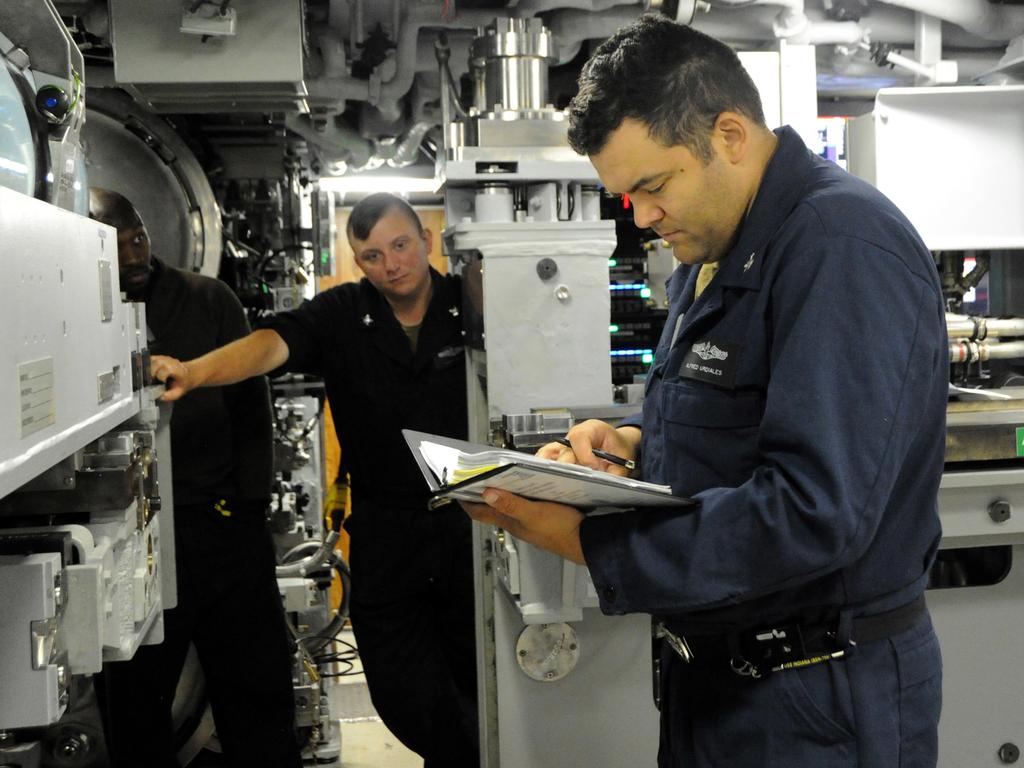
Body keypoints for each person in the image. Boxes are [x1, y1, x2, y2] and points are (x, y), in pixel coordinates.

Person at [463, 15, 946, 768]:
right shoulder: (717, 245)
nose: (644, 218)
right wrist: (626, 445)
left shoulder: (840, 245)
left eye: (652, 187)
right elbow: (726, 414)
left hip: (818, 699)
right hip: (724, 679)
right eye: (626, 197)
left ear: (728, 135)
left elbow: (815, 513)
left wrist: (590, 542)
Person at [149, 192, 479, 767]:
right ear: (357, 262)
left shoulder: (469, 305)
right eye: (372, 255)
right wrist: (195, 371)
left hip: (469, 522)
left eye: (401, 245)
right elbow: (272, 345)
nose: (391, 264)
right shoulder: (343, 314)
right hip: (386, 532)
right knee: (402, 692)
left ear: (426, 241)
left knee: (481, 679)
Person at [89, 189, 301, 768]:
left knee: (256, 682)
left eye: (139, 238)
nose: (134, 254)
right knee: (135, 693)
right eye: (118, 243)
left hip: (220, 522)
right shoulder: (78, 310)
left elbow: (250, 407)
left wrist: (250, 506)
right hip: (130, 533)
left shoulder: (207, 299)